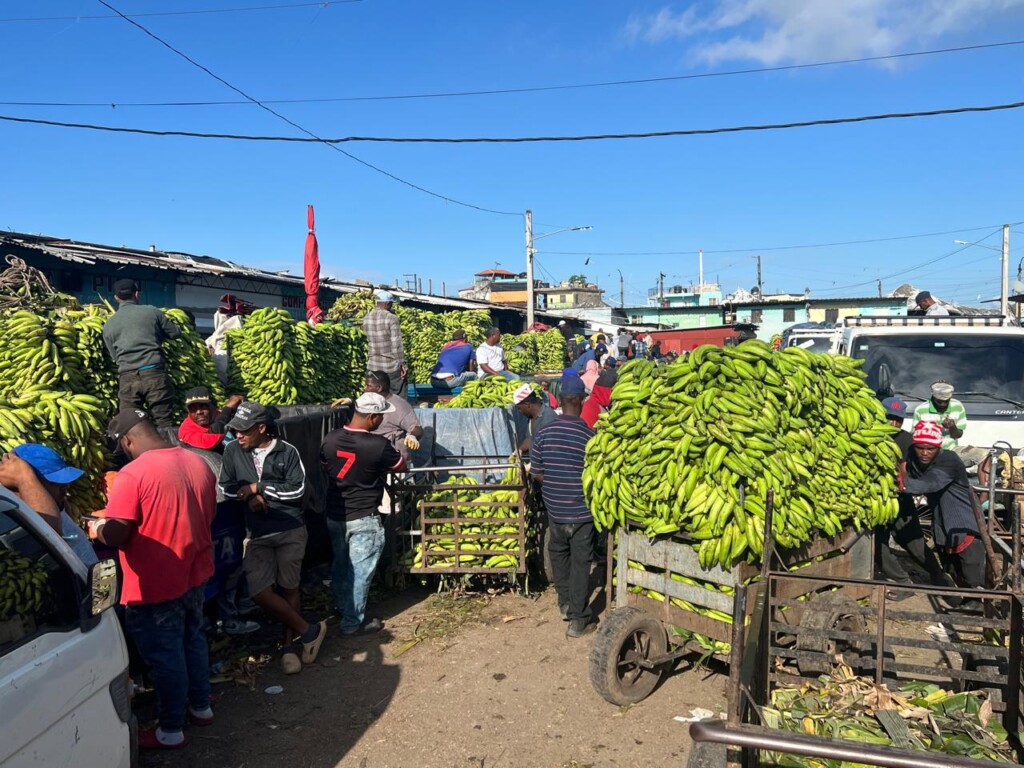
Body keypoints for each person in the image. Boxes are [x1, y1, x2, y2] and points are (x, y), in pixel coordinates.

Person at [88, 409, 216, 750]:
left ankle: (171, 730)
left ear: (128, 440)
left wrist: (98, 527)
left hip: (156, 584)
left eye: (123, 447)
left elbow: (117, 534)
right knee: (193, 639)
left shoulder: (134, 475)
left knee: (165, 655)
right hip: (195, 572)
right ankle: (201, 708)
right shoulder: (197, 463)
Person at [219, 401, 327, 675]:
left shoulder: (286, 451)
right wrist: (250, 496)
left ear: (261, 428)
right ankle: (309, 630)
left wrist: (260, 488)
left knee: (289, 588)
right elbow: (226, 487)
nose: (238, 436)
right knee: (260, 592)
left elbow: (297, 490)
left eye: (244, 431)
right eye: (235, 431)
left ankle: (290, 648)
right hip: (256, 533)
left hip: (289, 529)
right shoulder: (232, 451)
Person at [321, 393, 406, 634]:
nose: (381, 422)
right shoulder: (378, 446)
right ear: (372, 417)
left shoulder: (331, 438)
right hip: (364, 516)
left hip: (335, 515)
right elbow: (401, 465)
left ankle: (342, 607)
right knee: (360, 571)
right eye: (380, 418)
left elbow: (324, 464)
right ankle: (352, 622)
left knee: (340, 564)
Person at [529, 377, 598, 637]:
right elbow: (595, 476)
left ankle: (566, 604)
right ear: (581, 401)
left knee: (559, 557)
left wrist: (556, 480)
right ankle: (579, 620)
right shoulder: (589, 436)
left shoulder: (544, 433)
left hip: (555, 511)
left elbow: (537, 473)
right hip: (581, 513)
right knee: (581, 564)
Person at [902, 421, 986, 595]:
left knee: (970, 566)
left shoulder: (948, 459)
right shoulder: (913, 457)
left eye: (930, 449)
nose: (924, 453)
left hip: (963, 517)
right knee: (950, 565)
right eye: (920, 448)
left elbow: (930, 483)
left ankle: (977, 601)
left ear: (938, 447)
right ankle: (962, 596)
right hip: (940, 518)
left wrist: (897, 484)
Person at [875, 398, 948, 591]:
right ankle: (902, 581)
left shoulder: (907, 440)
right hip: (876, 500)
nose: (893, 423)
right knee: (879, 544)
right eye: (889, 417)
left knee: (914, 541)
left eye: (898, 419)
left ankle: (938, 576)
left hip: (900, 498)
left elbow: (909, 469)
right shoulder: (871, 436)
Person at [102, 278, 182, 429]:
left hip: (128, 378)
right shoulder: (152, 312)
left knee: (131, 425)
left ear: (116, 298)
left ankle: (136, 452)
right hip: (154, 373)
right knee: (163, 421)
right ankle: (166, 451)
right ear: (137, 293)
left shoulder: (109, 325)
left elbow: (115, 357)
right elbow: (175, 333)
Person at [0, 444, 97, 566]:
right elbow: (51, 536)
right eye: (55, 482)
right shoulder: (15, 518)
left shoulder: (57, 504)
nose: (65, 486)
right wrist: (24, 477)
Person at [364, 369, 424, 462]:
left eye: (368, 386)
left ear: (379, 388)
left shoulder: (400, 406)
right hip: (372, 458)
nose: (365, 388)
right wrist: (351, 404)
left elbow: (417, 429)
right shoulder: (367, 401)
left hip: (394, 460)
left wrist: (412, 436)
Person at [363, 290, 408, 399]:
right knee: (397, 395)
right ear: (387, 303)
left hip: (373, 365)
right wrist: (403, 364)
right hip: (390, 366)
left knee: (375, 397)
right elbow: (396, 344)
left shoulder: (367, 317)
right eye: (391, 304)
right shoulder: (392, 318)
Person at [177, 387, 245, 452]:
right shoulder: (186, 430)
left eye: (203, 406)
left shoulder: (217, 415)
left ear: (214, 406)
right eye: (193, 409)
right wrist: (227, 408)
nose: (198, 412)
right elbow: (213, 436)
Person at [913, 381, 966, 450]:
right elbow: (915, 437)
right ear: (933, 397)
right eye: (939, 401)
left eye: (946, 401)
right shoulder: (920, 410)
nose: (943, 404)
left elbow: (958, 435)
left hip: (950, 451)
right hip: (929, 453)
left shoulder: (958, 407)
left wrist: (952, 427)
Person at [512, 383, 557, 455]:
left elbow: (550, 450)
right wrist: (520, 449)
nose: (520, 411)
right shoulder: (532, 418)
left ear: (527, 405)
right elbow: (531, 439)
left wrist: (533, 464)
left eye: (519, 408)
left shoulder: (548, 419)